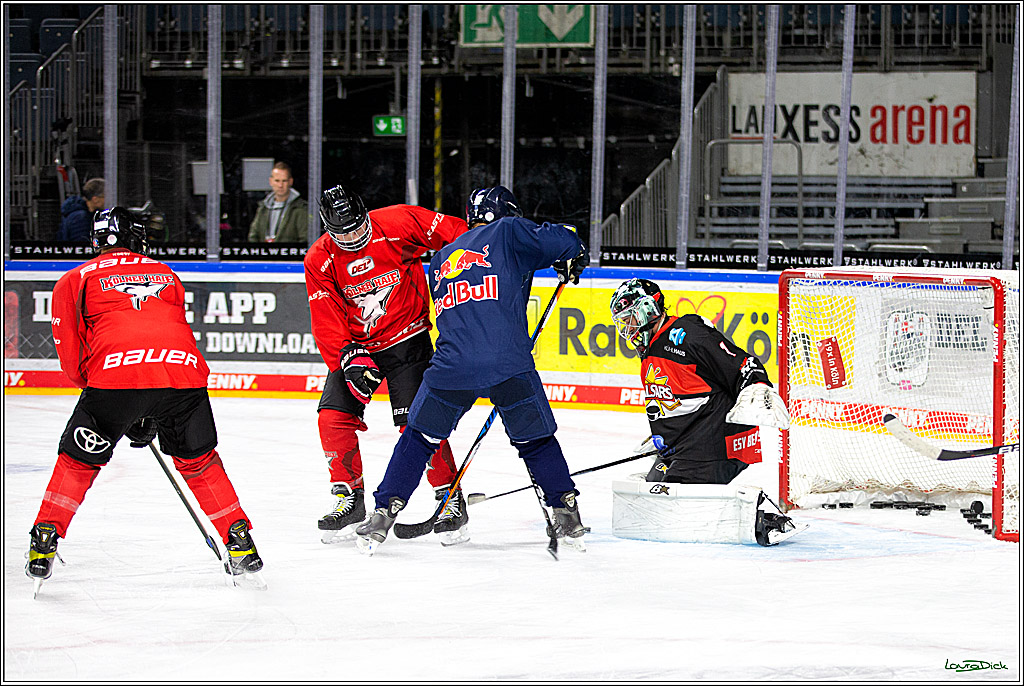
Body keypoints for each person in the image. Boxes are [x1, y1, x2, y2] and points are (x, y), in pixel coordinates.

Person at [27, 207, 264, 595]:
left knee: (78, 461)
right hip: (182, 376)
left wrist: (113, 397)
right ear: (135, 237)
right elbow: (165, 333)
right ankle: (239, 540)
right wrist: (150, 407)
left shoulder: (75, 279)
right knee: (200, 463)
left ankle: (45, 540)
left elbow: (71, 353)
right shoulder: (165, 274)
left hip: (115, 378)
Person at [355, 185, 591, 555]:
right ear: (507, 211)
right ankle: (565, 512)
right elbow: (562, 239)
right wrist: (573, 256)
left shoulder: (443, 256)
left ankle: (383, 513)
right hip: (506, 362)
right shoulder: (509, 231)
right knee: (536, 441)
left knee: (418, 439)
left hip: (451, 367)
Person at [303, 184, 470, 545]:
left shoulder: (398, 221)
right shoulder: (319, 258)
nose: (352, 238)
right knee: (332, 418)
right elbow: (325, 314)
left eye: (357, 228)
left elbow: (458, 234)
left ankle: (449, 497)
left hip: (406, 340)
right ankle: (349, 497)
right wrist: (346, 356)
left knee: (418, 424)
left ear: (366, 214)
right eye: (342, 233)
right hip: (358, 348)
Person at [609, 277, 799, 546]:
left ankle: (764, 516)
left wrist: (757, 386)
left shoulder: (686, 332)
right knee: (650, 497)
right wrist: (662, 434)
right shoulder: (651, 348)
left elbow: (742, 363)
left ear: (648, 310)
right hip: (683, 446)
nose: (626, 328)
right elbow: (680, 397)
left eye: (629, 319)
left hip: (714, 445)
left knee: (673, 509)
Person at [247, 161, 308, 243]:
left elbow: (305, 240)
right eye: (277, 181)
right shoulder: (263, 208)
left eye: (284, 181)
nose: (280, 185)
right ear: (271, 181)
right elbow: (253, 236)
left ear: (290, 182)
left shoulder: (300, 209)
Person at [58, 178, 105, 243]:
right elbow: (82, 247)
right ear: (95, 199)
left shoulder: (85, 214)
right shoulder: (80, 218)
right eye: (105, 197)